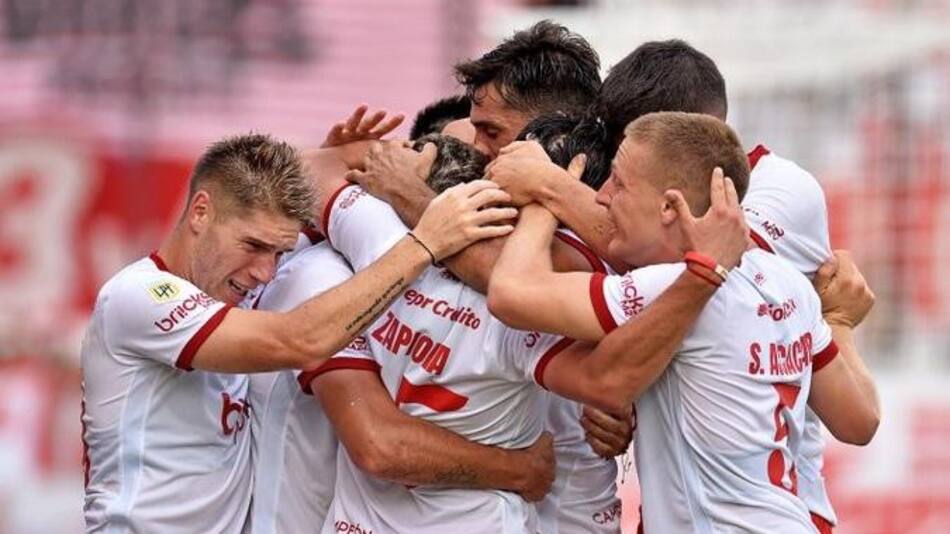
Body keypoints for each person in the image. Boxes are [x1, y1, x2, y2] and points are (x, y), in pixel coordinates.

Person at [485, 39, 880, 533]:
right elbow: (859, 419)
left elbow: (517, 294)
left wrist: (545, 190)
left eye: (623, 180)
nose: (604, 196)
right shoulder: (784, 286)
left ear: (673, 197)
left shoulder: (704, 263)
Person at [79, 132, 515, 532]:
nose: (265, 272)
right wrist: (426, 243)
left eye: (279, 252)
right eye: (253, 246)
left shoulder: (231, 289)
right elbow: (299, 340)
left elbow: (316, 170)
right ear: (200, 211)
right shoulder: (138, 296)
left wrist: (355, 153)